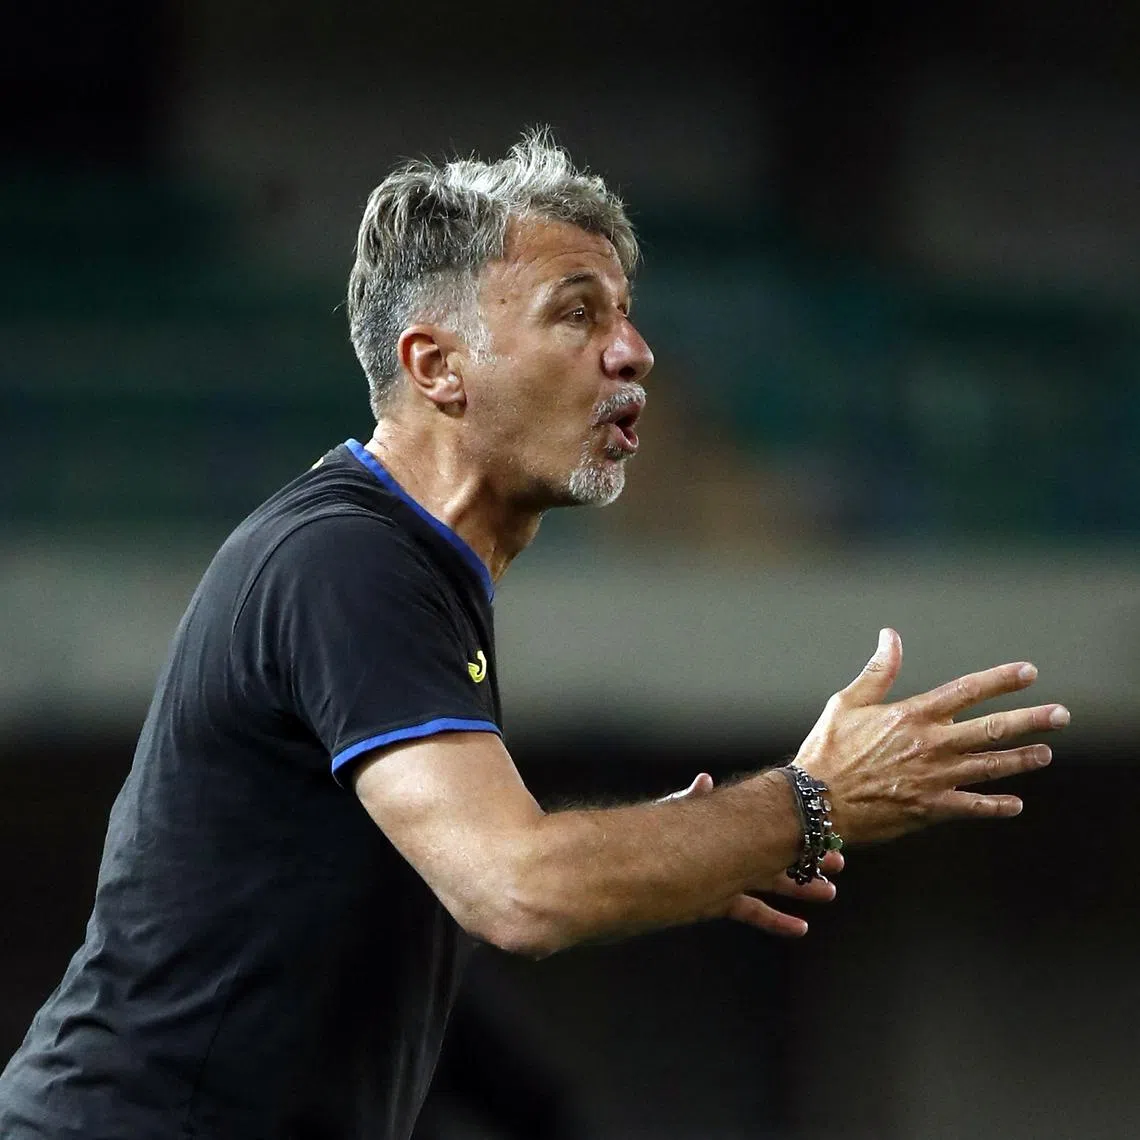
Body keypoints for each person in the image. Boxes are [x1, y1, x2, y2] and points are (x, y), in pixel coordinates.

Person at [0, 130, 1069, 1140]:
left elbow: (447, 879)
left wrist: (684, 844)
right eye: (577, 314)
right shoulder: (349, 563)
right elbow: (519, 887)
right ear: (437, 367)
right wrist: (811, 801)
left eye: (628, 314)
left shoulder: (404, 565)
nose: (636, 352)